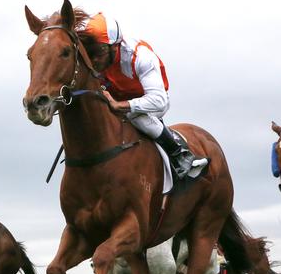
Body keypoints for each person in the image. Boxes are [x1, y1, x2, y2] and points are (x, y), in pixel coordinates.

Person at [78, 13, 206, 179]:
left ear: (114, 46)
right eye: (91, 51)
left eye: (99, 51)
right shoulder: (97, 58)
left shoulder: (140, 56)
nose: (94, 59)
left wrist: (121, 106)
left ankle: (179, 153)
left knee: (135, 115)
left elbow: (158, 101)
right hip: (118, 97)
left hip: (151, 102)